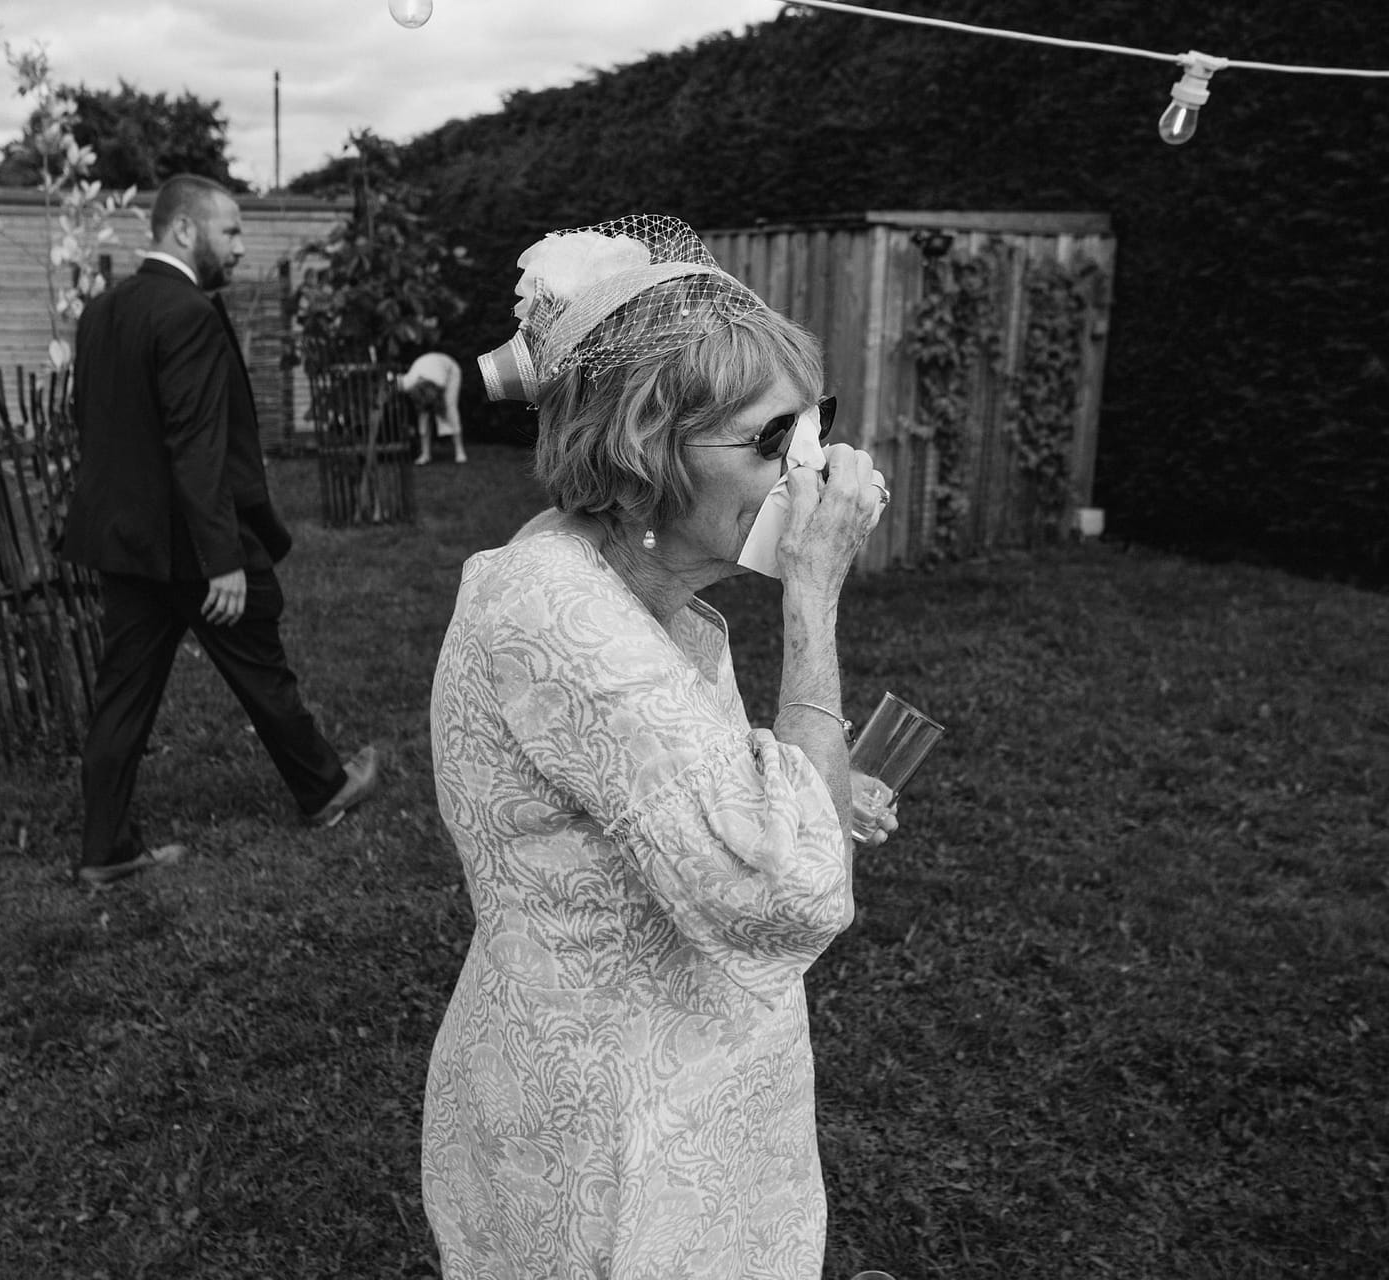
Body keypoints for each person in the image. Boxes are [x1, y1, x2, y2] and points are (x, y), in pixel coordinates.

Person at [422, 214, 897, 1278]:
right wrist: (813, 601)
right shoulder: (558, 616)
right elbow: (795, 885)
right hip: (622, 1140)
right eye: (772, 440)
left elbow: (665, 777)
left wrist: (800, 772)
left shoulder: (638, 586)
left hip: (672, 1088)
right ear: (642, 455)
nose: (810, 465)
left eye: (810, 424)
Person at [60, 174, 379, 887]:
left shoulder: (102, 311)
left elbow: (98, 427)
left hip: (128, 544)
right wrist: (223, 558)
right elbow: (195, 442)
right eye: (231, 231)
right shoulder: (190, 314)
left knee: (121, 696)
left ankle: (105, 848)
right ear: (182, 230)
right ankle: (325, 790)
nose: (241, 246)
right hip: (194, 549)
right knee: (261, 670)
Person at [399, 350, 466, 465]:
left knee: (450, 409)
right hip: (429, 374)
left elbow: (439, 404)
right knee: (423, 414)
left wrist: (436, 407)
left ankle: (460, 451)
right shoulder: (408, 382)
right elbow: (397, 382)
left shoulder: (439, 382)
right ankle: (425, 455)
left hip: (450, 372)